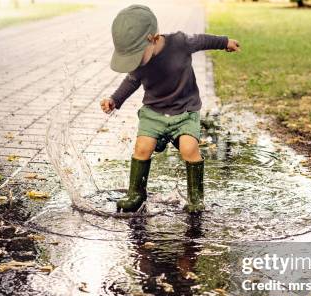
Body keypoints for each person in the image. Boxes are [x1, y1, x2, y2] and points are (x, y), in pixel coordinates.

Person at [100, 4, 240, 213]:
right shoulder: (139, 64)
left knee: (189, 149)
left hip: (185, 111)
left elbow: (202, 40)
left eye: (136, 55)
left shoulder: (180, 42)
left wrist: (224, 42)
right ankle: (136, 193)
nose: (135, 62)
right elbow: (131, 81)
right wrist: (114, 99)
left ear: (153, 38)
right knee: (142, 147)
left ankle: (195, 198)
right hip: (154, 112)